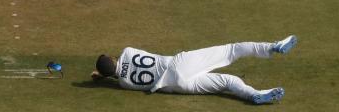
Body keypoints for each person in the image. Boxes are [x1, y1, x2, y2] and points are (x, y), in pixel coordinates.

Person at [92, 35, 297, 105]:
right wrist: (104, 73)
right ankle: (272, 47)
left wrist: (103, 77)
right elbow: (120, 63)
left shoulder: (123, 83)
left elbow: (116, 71)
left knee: (227, 81)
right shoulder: (127, 52)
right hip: (179, 64)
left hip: (176, 86)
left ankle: (254, 95)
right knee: (232, 50)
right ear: (112, 58)